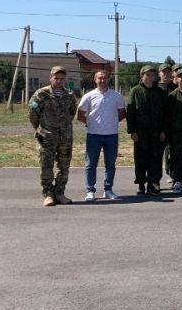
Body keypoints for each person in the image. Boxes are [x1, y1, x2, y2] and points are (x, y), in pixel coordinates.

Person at [28, 65, 79, 207]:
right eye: (56, 78)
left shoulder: (69, 95)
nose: (59, 81)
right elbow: (32, 114)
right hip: (47, 137)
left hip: (65, 137)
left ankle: (60, 193)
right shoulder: (41, 94)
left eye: (62, 79)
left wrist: (63, 126)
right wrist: (39, 129)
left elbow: (72, 112)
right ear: (50, 78)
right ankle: (48, 194)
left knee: (64, 166)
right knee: (46, 166)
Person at [76, 68, 126, 201]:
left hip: (111, 135)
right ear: (95, 80)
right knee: (91, 164)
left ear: (108, 79)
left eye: (104, 78)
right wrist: (89, 123)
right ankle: (90, 191)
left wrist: (111, 123)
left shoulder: (117, 96)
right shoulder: (89, 96)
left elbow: (121, 114)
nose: (102, 80)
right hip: (93, 135)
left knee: (110, 164)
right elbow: (80, 114)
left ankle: (108, 190)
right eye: (99, 78)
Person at [126, 65, 167, 195]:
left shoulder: (159, 91)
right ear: (141, 76)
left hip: (156, 132)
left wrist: (163, 130)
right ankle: (141, 184)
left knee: (155, 159)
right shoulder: (135, 91)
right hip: (140, 133)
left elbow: (164, 113)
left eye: (152, 75)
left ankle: (153, 183)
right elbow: (130, 112)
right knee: (140, 159)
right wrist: (132, 131)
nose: (150, 77)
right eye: (147, 75)